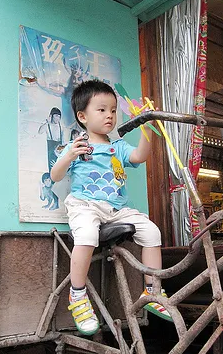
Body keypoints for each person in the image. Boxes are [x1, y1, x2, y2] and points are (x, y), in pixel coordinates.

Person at [50, 79, 173, 336]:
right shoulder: (77, 147)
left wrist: (146, 127)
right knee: (86, 235)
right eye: (102, 109)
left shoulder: (117, 147)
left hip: (116, 209)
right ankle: (78, 296)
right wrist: (69, 156)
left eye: (113, 110)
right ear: (82, 116)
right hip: (85, 206)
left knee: (152, 232)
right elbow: (55, 176)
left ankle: (152, 292)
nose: (110, 115)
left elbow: (139, 156)